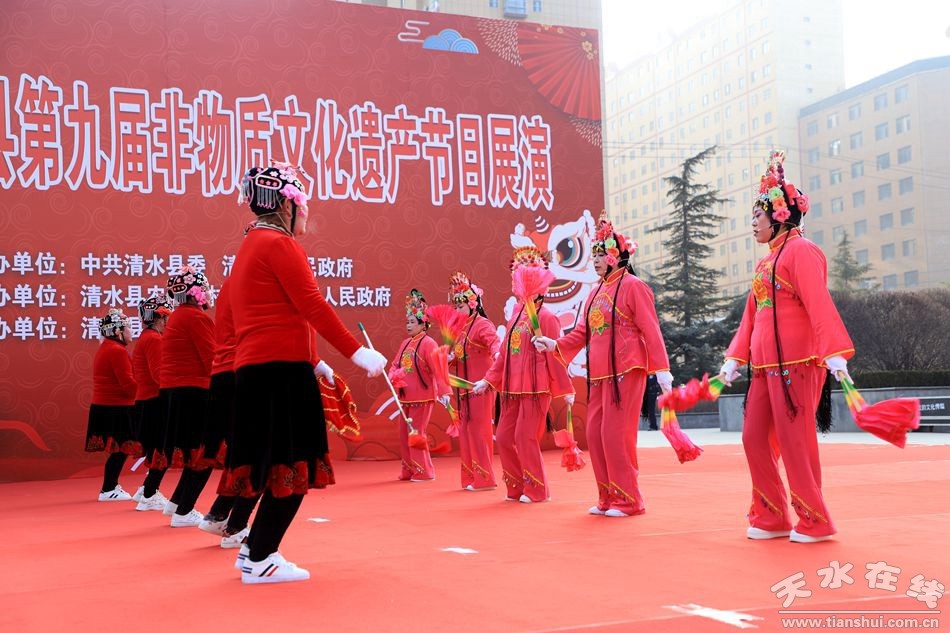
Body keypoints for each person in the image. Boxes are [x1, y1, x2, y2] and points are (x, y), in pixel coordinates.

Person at [223, 163, 386, 584]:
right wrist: (357, 352)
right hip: (279, 374)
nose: (306, 212)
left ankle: (253, 551)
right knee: (294, 466)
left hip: (260, 372)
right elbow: (312, 305)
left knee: (279, 465)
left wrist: (316, 362)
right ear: (284, 205)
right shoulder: (279, 244)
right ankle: (261, 557)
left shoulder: (251, 244)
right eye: (301, 203)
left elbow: (284, 315)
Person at [720, 151, 854, 544]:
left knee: (796, 442)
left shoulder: (802, 251)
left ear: (780, 216)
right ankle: (771, 514)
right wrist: (734, 358)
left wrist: (833, 351)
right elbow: (751, 316)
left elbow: (818, 303)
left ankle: (815, 520)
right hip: (764, 366)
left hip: (797, 361)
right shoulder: (766, 263)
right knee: (752, 438)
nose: (752, 223)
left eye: (757, 216)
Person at [533, 212, 672, 517]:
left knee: (615, 436)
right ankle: (608, 497)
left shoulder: (633, 286)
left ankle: (629, 500)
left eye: (600, 254)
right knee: (596, 436)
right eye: (593, 255)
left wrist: (661, 369)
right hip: (600, 375)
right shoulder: (595, 292)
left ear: (616, 256)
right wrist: (554, 344)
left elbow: (651, 329)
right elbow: (582, 332)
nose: (594, 260)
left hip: (627, 371)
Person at [473, 246, 574, 503]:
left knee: (524, 437)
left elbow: (557, 355)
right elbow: (504, 355)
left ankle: (537, 490)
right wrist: (488, 380)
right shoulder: (516, 316)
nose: (516, 281)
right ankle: (516, 486)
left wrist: (565, 388)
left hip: (535, 389)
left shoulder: (547, 318)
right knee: (504, 437)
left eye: (522, 276)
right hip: (511, 390)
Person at [159, 265, 216, 527]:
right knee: (205, 453)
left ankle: (176, 504)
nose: (208, 292)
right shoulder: (196, 318)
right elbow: (212, 360)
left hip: (178, 393)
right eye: (204, 288)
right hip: (195, 392)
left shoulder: (177, 317)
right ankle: (184, 510)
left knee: (194, 452)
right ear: (195, 293)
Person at [388, 289, 451, 482]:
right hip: (406, 397)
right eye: (407, 322)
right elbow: (395, 364)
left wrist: (444, 391)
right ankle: (408, 469)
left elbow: (438, 368)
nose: (408, 325)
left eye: (412, 322)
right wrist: (393, 375)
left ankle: (424, 471)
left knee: (416, 434)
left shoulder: (428, 343)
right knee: (404, 434)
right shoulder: (406, 343)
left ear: (423, 324)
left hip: (422, 396)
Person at [447, 272, 500, 491]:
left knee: (480, 431)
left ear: (472, 304)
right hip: (464, 389)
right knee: (467, 432)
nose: (457, 311)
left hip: (481, 387)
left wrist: (497, 357)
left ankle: (485, 479)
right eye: (455, 307)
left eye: (460, 306)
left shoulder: (482, 324)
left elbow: (494, 343)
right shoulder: (460, 330)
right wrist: (449, 359)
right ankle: (471, 477)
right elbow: (459, 358)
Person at [85, 308, 138, 502]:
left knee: (120, 448)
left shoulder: (107, 347)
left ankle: (111, 486)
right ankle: (108, 488)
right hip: (116, 407)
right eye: (128, 327)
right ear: (117, 331)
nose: (132, 331)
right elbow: (128, 383)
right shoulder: (117, 351)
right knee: (122, 448)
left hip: (108, 406)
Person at [130, 293, 174, 511]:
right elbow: (159, 374)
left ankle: (145, 489)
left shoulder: (147, 337)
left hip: (148, 400)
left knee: (158, 448)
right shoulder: (154, 339)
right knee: (162, 449)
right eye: (166, 317)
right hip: (154, 401)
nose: (168, 322)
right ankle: (149, 493)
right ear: (159, 318)